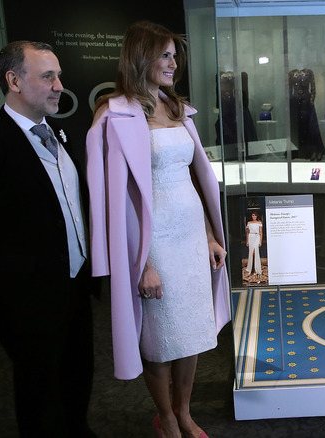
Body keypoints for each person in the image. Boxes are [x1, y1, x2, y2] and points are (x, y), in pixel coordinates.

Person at [85, 21, 230, 438]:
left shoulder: (178, 108)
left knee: (192, 330)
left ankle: (184, 411)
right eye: (164, 55)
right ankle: (165, 416)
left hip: (189, 235)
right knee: (161, 338)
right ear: (140, 58)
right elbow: (114, 195)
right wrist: (141, 262)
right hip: (152, 243)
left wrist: (208, 235)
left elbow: (192, 180)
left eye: (173, 55)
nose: (172, 63)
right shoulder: (114, 114)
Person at [0, 41, 97, 436]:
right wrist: (6, 291)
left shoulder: (63, 135)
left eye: (58, 75)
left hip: (76, 287)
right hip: (26, 301)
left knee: (78, 373)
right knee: (39, 390)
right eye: (48, 76)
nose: (59, 85)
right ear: (13, 80)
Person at [245, 212, 263, 277]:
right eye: (253, 215)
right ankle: (251, 268)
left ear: (257, 216)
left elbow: (261, 233)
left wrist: (260, 241)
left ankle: (256, 269)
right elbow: (247, 232)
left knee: (255, 252)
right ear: (251, 216)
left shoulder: (259, 223)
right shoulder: (249, 223)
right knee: (251, 253)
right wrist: (247, 241)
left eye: (255, 215)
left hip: (257, 236)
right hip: (251, 237)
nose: (254, 216)